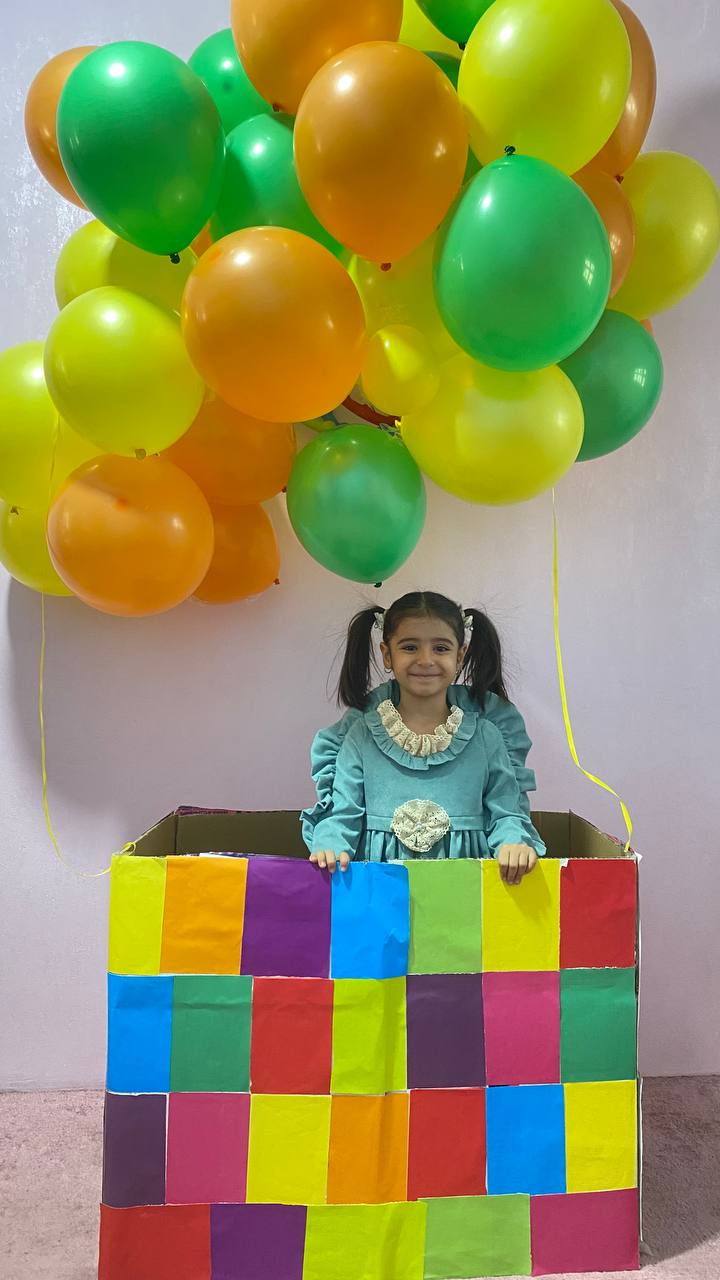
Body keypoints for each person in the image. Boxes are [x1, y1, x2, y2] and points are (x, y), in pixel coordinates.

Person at [301, 591, 545, 885]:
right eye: (410, 647)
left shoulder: (486, 736)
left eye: (440, 648)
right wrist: (329, 843)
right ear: (387, 654)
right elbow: (343, 812)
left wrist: (513, 844)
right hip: (381, 888)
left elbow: (506, 812)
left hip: (465, 888)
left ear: (460, 655)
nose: (426, 660)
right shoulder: (361, 735)